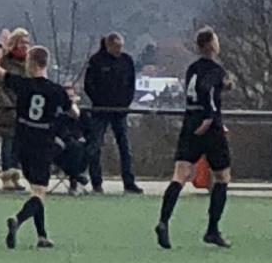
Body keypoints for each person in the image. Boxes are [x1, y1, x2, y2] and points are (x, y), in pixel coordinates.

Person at [0, 30, 75, 249]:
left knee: (35, 189)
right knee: (39, 192)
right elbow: (73, 112)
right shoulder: (55, 90)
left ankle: (42, 236)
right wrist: (73, 104)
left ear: (30, 62)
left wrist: (0, 45)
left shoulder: (22, 84)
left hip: (22, 142)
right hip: (43, 144)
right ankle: (17, 220)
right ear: (46, 63)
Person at [155, 28, 233, 250]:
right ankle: (212, 229)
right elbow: (208, 91)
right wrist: (210, 117)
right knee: (222, 177)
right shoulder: (216, 70)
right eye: (216, 40)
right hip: (209, 128)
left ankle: (163, 221)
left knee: (180, 174)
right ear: (211, 45)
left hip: (189, 123)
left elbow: (198, 91)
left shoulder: (192, 69)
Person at [84, 33, 143, 194]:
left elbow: (131, 85)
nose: (119, 50)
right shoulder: (96, 61)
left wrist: (125, 103)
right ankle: (96, 182)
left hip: (120, 111)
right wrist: (99, 101)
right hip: (100, 110)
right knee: (95, 146)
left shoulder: (127, 61)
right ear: (108, 45)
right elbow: (89, 85)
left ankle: (129, 182)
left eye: (120, 47)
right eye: (116, 47)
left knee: (124, 147)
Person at [0, 27, 30, 192]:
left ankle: (15, 176)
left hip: (23, 109)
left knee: (18, 145)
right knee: (8, 142)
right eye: (22, 42)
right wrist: (7, 105)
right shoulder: (5, 61)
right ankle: (6, 176)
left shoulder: (27, 63)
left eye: (27, 43)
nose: (25, 46)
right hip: (7, 110)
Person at [54, 85, 91, 195]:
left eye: (71, 96)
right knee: (75, 148)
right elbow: (57, 130)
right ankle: (76, 177)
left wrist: (77, 115)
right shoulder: (56, 112)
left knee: (85, 148)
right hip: (60, 145)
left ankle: (75, 176)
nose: (70, 99)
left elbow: (88, 130)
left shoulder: (81, 113)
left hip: (78, 145)